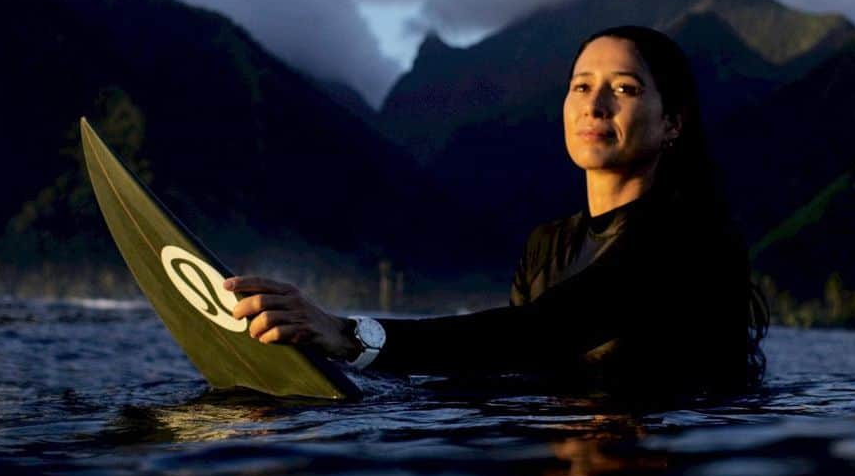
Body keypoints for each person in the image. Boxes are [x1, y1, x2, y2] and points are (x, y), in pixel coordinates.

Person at [225, 26, 768, 397]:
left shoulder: (689, 237)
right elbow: (508, 365)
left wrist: (349, 337)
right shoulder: (547, 245)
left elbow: (540, 331)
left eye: (623, 89)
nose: (594, 105)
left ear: (672, 123)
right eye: (581, 86)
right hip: (564, 452)